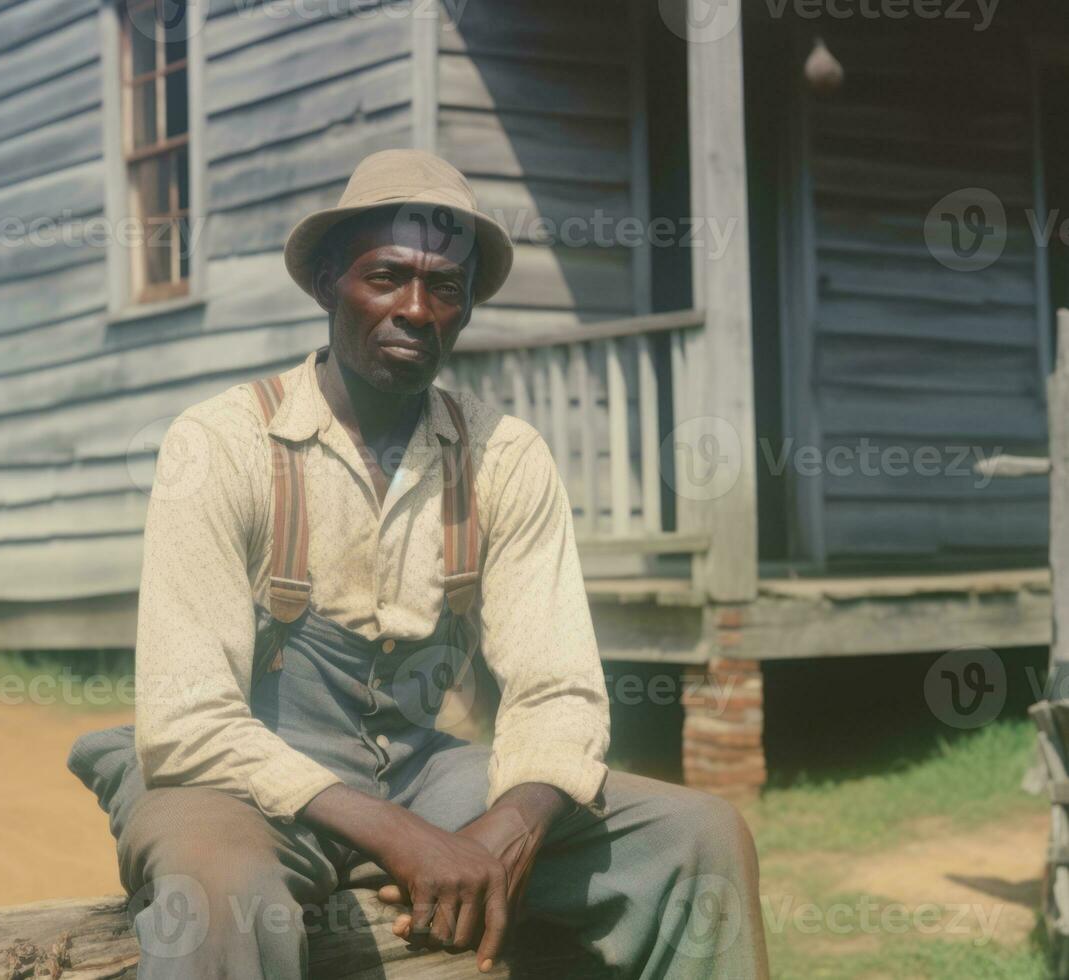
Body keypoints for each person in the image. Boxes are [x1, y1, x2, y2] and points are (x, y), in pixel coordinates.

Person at [69, 149, 768, 979]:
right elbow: (188, 724)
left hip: (418, 774)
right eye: (386, 276)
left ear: (466, 307)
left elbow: (559, 690)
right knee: (219, 895)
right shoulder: (220, 444)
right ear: (330, 280)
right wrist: (404, 838)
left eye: (444, 287)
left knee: (698, 836)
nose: (414, 309)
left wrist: (507, 826)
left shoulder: (503, 456)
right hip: (238, 784)